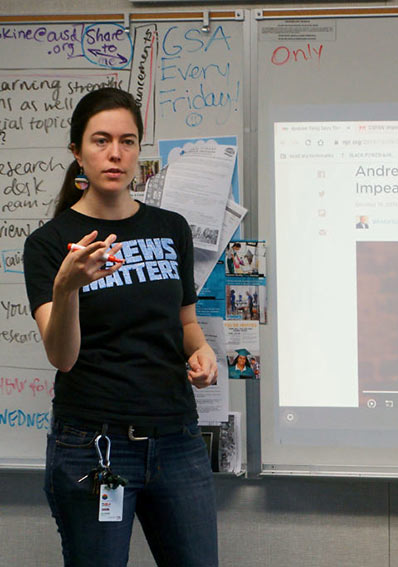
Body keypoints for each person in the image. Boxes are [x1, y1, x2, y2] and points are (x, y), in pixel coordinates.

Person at [23, 87, 219, 567]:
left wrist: (202, 352)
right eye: (101, 141)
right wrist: (67, 288)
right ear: (77, 153)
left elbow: (185, 321)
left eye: (128, 141)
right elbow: (62, 357)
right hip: (93, 445)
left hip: (178, 439)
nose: (115, 154)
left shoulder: (172, 227)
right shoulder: (50, 244)